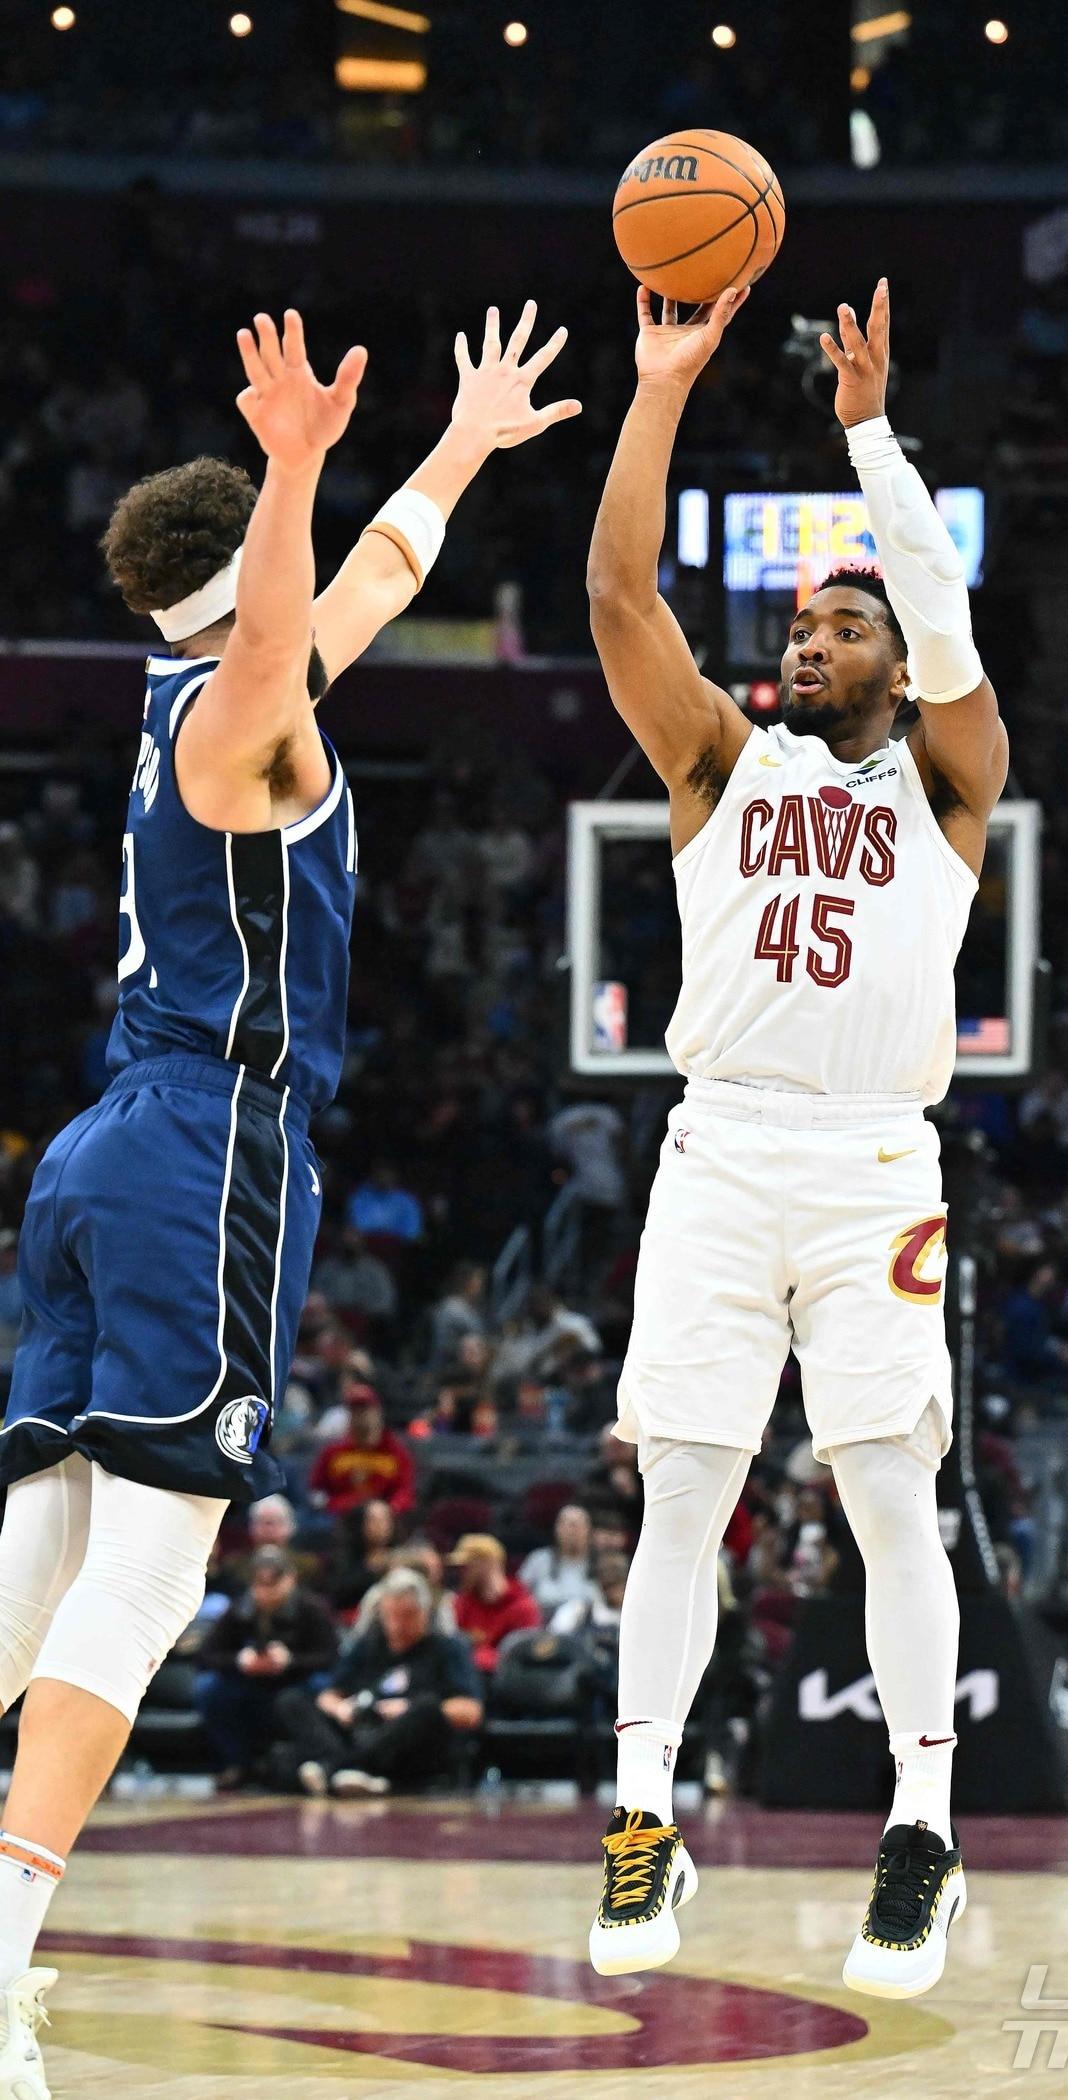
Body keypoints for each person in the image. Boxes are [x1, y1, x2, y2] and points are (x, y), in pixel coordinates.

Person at [0, 298, 578, 2092]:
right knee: (146, 1569)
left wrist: (463, 440)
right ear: (244, 572)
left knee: (39, 1556)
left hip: (110, 1143)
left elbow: (367, 586)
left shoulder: (201, 688)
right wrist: (297, 470)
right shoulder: (241, 717)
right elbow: (289, 625)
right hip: (207, 1143)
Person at [584, 279, 1005, 1997]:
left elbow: (945, 621)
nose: (811, 641)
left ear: (897, 665)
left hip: (875, 1164)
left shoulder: (950, 778)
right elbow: (619, 595)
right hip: (721, 1152)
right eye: (802, 625)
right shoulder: (719, 765)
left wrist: (867, 436)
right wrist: (658, 387)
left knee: (887, 1490)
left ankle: (923, 1834)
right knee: (682, 1490)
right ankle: (640, 1817)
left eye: (846, 626)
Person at [272, 1568, 482, 1797]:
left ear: (425, 1613)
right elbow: (329, 1695)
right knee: (291, 1700)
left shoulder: (449, 1648)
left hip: (407, 1743)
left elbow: (470, 1712)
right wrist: (342, 1708)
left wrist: (407, 1709)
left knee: (427, 1708)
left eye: (407, 1616)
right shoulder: (368, 1645)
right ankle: (347, 1770)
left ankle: (338, 1767)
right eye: (391, 1615)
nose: (397, 1625)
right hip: (359, 1728)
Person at [194, 1545, 340, 1787]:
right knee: (209, 1689)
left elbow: (330, 1657)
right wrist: (240, 1660)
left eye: (273, 1583)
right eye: (259, 1584)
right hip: (251, 1682)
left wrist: (291, 1661)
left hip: (297, 1681)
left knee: (318, 1687)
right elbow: (206, 1655)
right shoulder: (239, 1609)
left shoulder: (312, 1608)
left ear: (290, 1578)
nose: (266, 1592)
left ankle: (311, 1761)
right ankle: (237, 1764)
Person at [307, 1387, 416, 1517]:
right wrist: (328, 1504)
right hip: (340, 1517)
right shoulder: (333, 1452)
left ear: (378, 1412)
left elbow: (405, 1491)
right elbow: (316, 1490)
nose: (361, 1416)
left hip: (382, 1518)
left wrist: (391, 1508)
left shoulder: (396, 1452)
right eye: (355, 1410)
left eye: (365, 1409)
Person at [448, 1534, 542, 1674]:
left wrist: (475, 1658)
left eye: (466, 1567)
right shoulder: (462, 1602)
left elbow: (524, 1657)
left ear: (487, 1565)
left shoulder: (523, 1607)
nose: (460, 1573)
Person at [518, 1504, 601, 1616]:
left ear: (589, 1530)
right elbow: (519, 1595)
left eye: (577, 1526)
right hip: (544, 1621)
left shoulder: (602, 1563)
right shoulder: (538, 1559)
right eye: (567, 1525)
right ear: (557, 1529)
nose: (572, 1531)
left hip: (591, 1622)